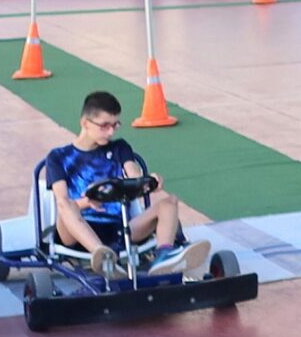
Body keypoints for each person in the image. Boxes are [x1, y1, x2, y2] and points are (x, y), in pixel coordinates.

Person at [39, 90, 206, 280]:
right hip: (75, 232)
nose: (111, 132)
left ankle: (164, 255)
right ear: (85, 123)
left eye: (115, 125)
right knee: (66, 205)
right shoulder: (58, 157)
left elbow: (133, 174)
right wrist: (88, 201)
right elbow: (62, 201)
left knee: (170, 202)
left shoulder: (119, 147)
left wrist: (148, 181)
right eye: (105, 126)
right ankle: (101, 255)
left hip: (120, 228)